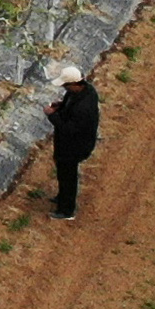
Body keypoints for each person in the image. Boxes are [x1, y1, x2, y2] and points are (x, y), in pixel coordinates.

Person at [44, 64, 99, 220]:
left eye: (66, 85)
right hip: (68, 144)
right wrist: (61, 107)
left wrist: (51, 115)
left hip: (75, 146)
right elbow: (70, 107)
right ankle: (62, 197)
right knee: (63, 172)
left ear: (74, 84)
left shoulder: (83, 107)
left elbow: (69, 128)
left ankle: (66, 210)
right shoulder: (86, 92)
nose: (65, 89)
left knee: (68, 176)